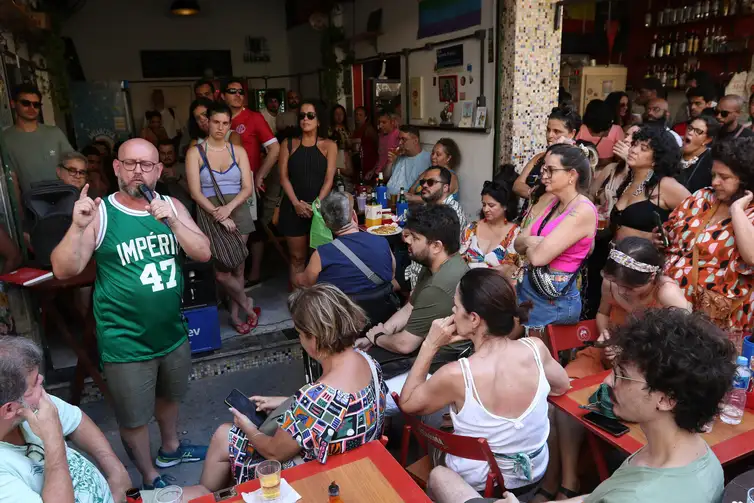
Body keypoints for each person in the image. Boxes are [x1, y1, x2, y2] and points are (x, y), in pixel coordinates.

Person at [50, 138, 212, 490]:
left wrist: (175, 223)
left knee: (170, 398)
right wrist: (77, 227)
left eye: (147, 164)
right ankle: (148, 474)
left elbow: (202, 252)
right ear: (116, 167)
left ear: (158, 171)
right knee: (134, 417)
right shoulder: (100, 212)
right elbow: (64, 270)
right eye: (131, 163)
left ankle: (170, 448)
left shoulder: (172, 206)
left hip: (171, 331)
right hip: (125, 340)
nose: (138, 170)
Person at [507, 308, 733, 503]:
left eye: (623, 376)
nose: (608, 382)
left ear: (666, 399)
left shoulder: (637, 496)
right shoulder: (704, 458)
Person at [189, 284, 387, 493]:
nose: (300, 340)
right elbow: (336, 408)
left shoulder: (316, 398)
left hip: (317, 477)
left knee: (224, 435)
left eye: (300, 334)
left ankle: (204, 495)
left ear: (315, 338)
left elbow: (274, 452)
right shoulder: (369, 363)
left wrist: (247, 425)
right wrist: (288, 401)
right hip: (356, 461)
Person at [400, 268, 570, 496]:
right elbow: (561, 386)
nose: (452, 311)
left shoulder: (456, 375)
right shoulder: (536, 349)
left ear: (473, 319)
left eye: (457, 306)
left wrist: (430, 344)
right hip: (533, 477)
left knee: (431, 417)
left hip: (481, 488)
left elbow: (408, 403)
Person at [548, 237, 690, 499]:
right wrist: (606, 336)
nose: (621, 292)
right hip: (605, 356)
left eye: (628, 288)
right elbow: (602, 314)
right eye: (618, 285)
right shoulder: (611, 283)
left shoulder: (666, 294)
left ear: (649, 280)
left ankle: (586, 480)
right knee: (562, 396)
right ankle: (567, 479)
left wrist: (632, 353)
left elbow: (683, 342)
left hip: (642, 369)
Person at [354, 205, 470, 399]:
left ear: (436, 246)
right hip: (425, 350)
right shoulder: (436, 265)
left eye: (415, 238)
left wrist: (377, 337)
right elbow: (409, 307)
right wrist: (374, 336)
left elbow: (405, 345)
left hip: (439, 365)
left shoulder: (438, 285)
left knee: (367, 394)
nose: (406, 239)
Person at [0, 337, 132, 503]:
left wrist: (116, 471)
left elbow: (77, 422)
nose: (41, 381)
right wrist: (53, 438)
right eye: (35, 383)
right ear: (9, 409)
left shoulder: (32, 404)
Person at [662, 137, 754, 331]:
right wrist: (661, 238)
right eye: (713, 174)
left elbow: (751, 256)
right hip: (672, 306)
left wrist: (737, 209)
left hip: (719, 319)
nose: (715, 182)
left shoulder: (749, 212)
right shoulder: (702, 197)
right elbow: (673, 232)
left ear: (746, 179)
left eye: (724, 177)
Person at [185, 102, 259, 334]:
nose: (220, 127)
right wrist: (219, 213)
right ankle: (247, 304)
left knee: (238, 267)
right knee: (221, 271)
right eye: (216, 122)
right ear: (208, 122)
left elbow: (247, 187)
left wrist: (229, 208)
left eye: (225, 123)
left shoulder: (237, 151)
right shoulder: (195, 152)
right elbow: (195, 192)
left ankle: (236, 316)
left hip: (237, 210)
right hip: (210, 213)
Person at [514, 144, 597, 331]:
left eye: (551, 170)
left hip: (553, 303)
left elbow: (537, 258)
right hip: (531, 294)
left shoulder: (583, 210)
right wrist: (530, 242)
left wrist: (531, 244)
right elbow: (518, 243)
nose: (544, 175)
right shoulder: (552, 201)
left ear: (571, 175)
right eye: (544, 169)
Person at [296, 191, 397, 326]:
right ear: (354, 215)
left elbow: (308, 284)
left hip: (345, 323)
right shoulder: (381, 241)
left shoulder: (321, 254)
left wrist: (298, 277)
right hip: (382, 318)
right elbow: (392, 274)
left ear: (326, 225)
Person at [222, 78, 281, 286]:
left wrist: (260, 175)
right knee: (228, 230)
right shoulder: (218, 119)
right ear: (222, 96)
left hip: (247, 186)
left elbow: (274, 148)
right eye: (232, 91)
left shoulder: (253, 118)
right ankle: (233, 277)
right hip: (222, 187)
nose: (237, 95)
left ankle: (253, 273)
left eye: (240, 92)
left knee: (253, 229)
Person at [278, 101, 337, 282]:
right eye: (302, 116)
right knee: (297, 259)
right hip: (293, 207)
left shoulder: (329, 145)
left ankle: (316, 304)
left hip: (319, 210)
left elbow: (329, 179)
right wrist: (296, 203)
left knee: (321, 259)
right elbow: (283, 177)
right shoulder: (288, 144)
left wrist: (316, 205)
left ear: (319, 121)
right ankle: (298, 304)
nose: (305, 119)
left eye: (310, 115)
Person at [610, 126, 689, 243]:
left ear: (657, 158)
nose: (633, 150)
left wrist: (668, 237)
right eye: (635, 144)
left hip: (646, 259)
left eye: (643, 148)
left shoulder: (665, 185)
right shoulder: (630, 179)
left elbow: (696, 217)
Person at [0, 83, 73, 194]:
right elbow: (12, 181)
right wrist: (19, 211)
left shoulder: (54, 133)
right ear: (13, 104)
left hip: (65, 198)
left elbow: (74, 166)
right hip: (31, 204)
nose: (31, 108)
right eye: (25, 103)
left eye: (36, 104)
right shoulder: (5, 139)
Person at [404, 166, 468, 289]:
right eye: (423, 182)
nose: (425, 185)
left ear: (445, 188)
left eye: (431, 182)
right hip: (416, 274)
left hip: (433, 281)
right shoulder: (429, 205)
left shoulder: (451, 213)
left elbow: (443, 254)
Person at [460, 170, 521, 280]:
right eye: (484, 205)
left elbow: (514, 270)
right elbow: (459, 260)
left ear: (505, 206)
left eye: (491, 205)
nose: (486, 209)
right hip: (468, 286)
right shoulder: (471, 229)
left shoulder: (515, 233)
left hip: (497, 290)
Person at [513, 106, 581, 201]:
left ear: (572, 134)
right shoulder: (539, 158)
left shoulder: (577, 162)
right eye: (548, 130)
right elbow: (517, 185)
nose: (550, 135)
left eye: (556, 131)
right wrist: (532, 194)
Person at [677, 115, 720, 193]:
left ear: (707, 140)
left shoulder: (710, 163)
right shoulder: (674, 152)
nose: (690, 132)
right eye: (690, 128)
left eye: (698, 131)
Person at [385, 125, 432, 196]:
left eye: (404, 139)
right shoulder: (398, 156)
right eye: (399, 139)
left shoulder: (428, 159)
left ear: (415, 141)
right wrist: (390, 162)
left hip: (404, 202)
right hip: (386, 198)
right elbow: (385, 178)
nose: (400, 143)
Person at [576, 99, 625, 166]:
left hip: (587, 167)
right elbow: (620, 156)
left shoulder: (582, 128)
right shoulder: (616, 130)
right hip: (607, 169)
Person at [156, 140, 194, 214]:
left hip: (185, 212)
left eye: (169, 153)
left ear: (175, 153)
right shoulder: (153, 170)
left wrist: (178, 178)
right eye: (163, 153)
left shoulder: (185, 167)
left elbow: (195, 194)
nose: (166, 156)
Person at [369, 110, 401, 179]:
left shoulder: (398, 135)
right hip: (378, 173)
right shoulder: (381, 135)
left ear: (392, 122)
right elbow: (381, 157)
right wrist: (373, 170)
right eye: (379, 122)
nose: (380, 126)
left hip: (389, 175)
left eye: (384, 122)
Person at [350, 105, 378, 179]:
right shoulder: (354, 131)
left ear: (365, 117)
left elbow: (377, 144)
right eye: (356, 114)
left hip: (369, 162)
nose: (358, 117)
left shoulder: (369, 129)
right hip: (358, 163)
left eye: (360, 115)